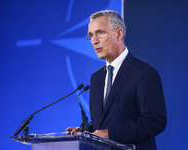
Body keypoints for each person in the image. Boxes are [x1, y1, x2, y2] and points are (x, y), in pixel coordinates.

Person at [65, 10, 167, 150]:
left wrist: (110, 134)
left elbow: (155, 121)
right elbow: (101, 123)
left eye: (100, 32)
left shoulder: (144, 73)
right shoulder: (97, 77)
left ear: (119, 33)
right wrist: (83, 132)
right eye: (91, 35)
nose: (94, 40)